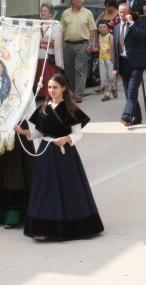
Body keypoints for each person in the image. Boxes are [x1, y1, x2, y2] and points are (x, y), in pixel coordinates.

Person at [15, 74, 103, 241]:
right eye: (49, 87)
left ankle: (71, 226)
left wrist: (67, 139)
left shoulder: (71, 109)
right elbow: (40, 132)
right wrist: (26, 132)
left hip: (64, 155)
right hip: (45, 154)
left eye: (55, 87)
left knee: (66, 189)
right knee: (44, 189)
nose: (51, 90)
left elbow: (77, 133)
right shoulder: (44, 108)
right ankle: (42, 228)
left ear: (63, 88)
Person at [112, 3, 146, 126]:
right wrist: (115, 67)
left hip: (137, 63)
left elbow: (142, 37)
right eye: (120, 12)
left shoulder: (138, 23)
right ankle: (137, 118)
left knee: (132, 91)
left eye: (124, 12)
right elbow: (115, 49)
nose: (122, 14)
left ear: (129, 12)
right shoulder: (116, 27)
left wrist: (132, 23)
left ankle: (127, 116)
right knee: (128, 92)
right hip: (123, 63)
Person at [60, 0, 97, 103]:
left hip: (82, 44)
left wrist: (91, 44)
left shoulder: (87, 13)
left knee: (79, 69)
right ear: (73, 1)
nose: (82, 1)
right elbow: (61, 30)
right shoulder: (65, 13)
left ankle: (78, 94)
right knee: (69, 70)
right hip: (68, 44)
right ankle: (72, 91)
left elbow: (92, 29)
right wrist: (61, 46)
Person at [34, 3, 62, 99]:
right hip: (38, 55)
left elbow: (55, 42)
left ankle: (49, 95)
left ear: (51, 14)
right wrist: (46, 42)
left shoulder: (56, 25)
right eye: (42, 11)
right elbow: (33, 39)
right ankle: (39, 95)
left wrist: (40, 42)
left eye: (45, 11)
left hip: (50, 55)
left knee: (48, 77)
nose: (42, 13)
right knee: (39, 76)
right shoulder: (37, 24)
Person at [94, 22, 114, 101]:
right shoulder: (99, 36)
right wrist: (93, 49)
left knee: (111, 77)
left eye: (104, 27)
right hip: (102, 59)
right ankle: (107, 94)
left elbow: (112, 48)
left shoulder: (110, 36)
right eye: (100, 27)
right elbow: (99, 48)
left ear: (107, 28)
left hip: (109, 59)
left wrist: (112, 59)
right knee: (103, 77)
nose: (102, 28)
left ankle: (113, 87)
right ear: (98, 29)